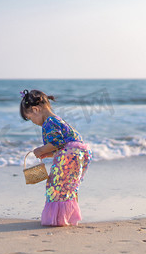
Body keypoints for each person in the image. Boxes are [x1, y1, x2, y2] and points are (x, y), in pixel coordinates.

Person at [20, 89, 92, 226]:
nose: (33, 122)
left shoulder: (48, 122)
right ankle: (68, 216)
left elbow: (56, 142)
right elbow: (62, 144)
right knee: (69, 186)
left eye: (30, 118)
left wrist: (40, 149)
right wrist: (49, 153)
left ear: (35, 109)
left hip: (71, 153)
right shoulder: (57, 120)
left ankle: (58, 219)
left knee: (55, 184)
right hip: (81, 153)